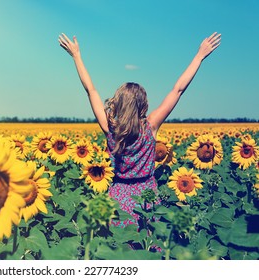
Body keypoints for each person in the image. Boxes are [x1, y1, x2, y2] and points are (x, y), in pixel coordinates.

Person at [58, 32, 221, 226]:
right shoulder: (150, 126)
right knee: (146, 244)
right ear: (143, 105)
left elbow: (90, 90)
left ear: (117, 103)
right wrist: (199, 56)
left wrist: (76, 56)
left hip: (118, 196)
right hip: (146, 196)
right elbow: (178, 89)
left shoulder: (110, 128)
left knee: (119, 245)